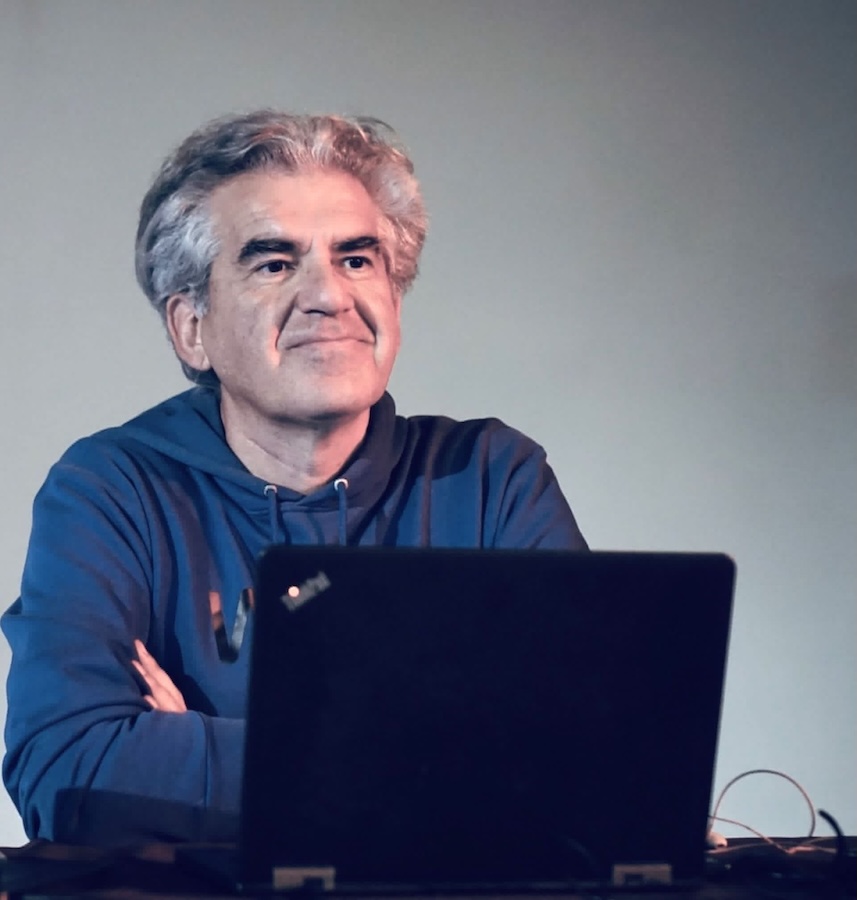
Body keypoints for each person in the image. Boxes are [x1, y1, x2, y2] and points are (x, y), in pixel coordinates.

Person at [1, 111, 587, 846]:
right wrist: (439, 761)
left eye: (357, 260)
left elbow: (592, 767)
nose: (330, 296)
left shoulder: (492, 482)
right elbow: (69, 770)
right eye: (275, 264)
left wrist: (208, 751)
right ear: (191, 328)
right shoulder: (112, 490)